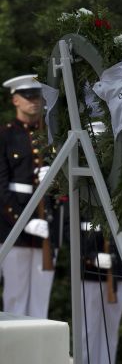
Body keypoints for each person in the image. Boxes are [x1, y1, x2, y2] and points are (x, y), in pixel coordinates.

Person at [0, 74, 60, 318]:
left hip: (47, 228)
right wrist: (25, 221)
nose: (34, 101)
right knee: (14, 299)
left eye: (37, 96)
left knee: (40, 304)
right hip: (13, 228)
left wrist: (57, 179)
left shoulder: (52, 138)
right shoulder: (5, 136)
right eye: (28, 96)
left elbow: (66, 191)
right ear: (15, 100)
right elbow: (1, 188)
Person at [79, 121, 122, 364]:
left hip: (116, 270)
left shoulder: (120, 179)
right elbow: (73, 229)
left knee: (111, 333)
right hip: (90, 270)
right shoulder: (78, 180)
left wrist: (117, 258)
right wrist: (90, 256)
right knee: (88, 332)